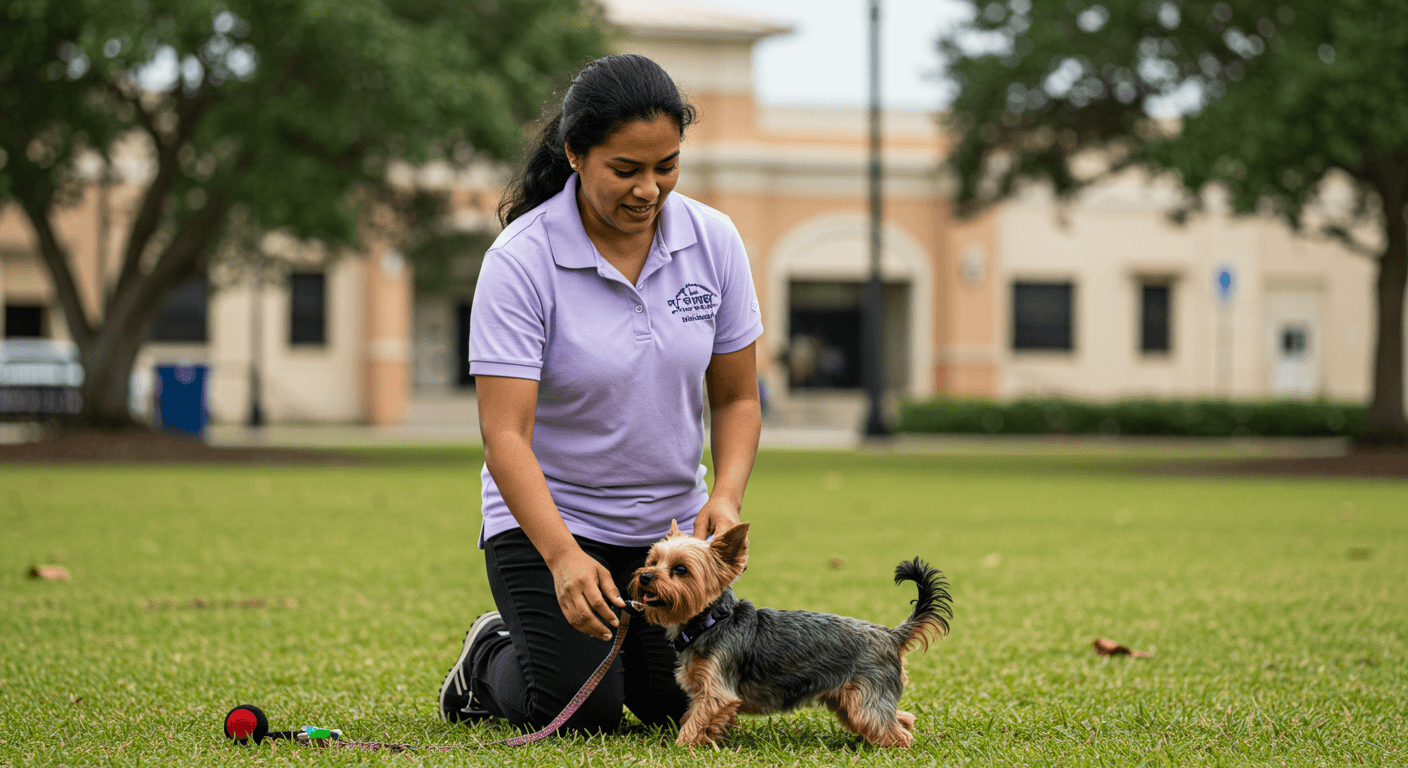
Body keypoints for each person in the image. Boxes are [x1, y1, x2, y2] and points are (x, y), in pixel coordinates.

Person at [437, 53, 764, 735]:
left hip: (666, 537)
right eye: (626, 169)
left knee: (689, 702)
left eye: (666, 166)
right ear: (576, 155)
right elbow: (505, 436)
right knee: (584, 710)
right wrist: (561, 556)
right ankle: (488, 654)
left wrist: (725, 495)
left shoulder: (715, 242)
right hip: (551, 524)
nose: (649, 189)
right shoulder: (521, 260)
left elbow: (736, 398)